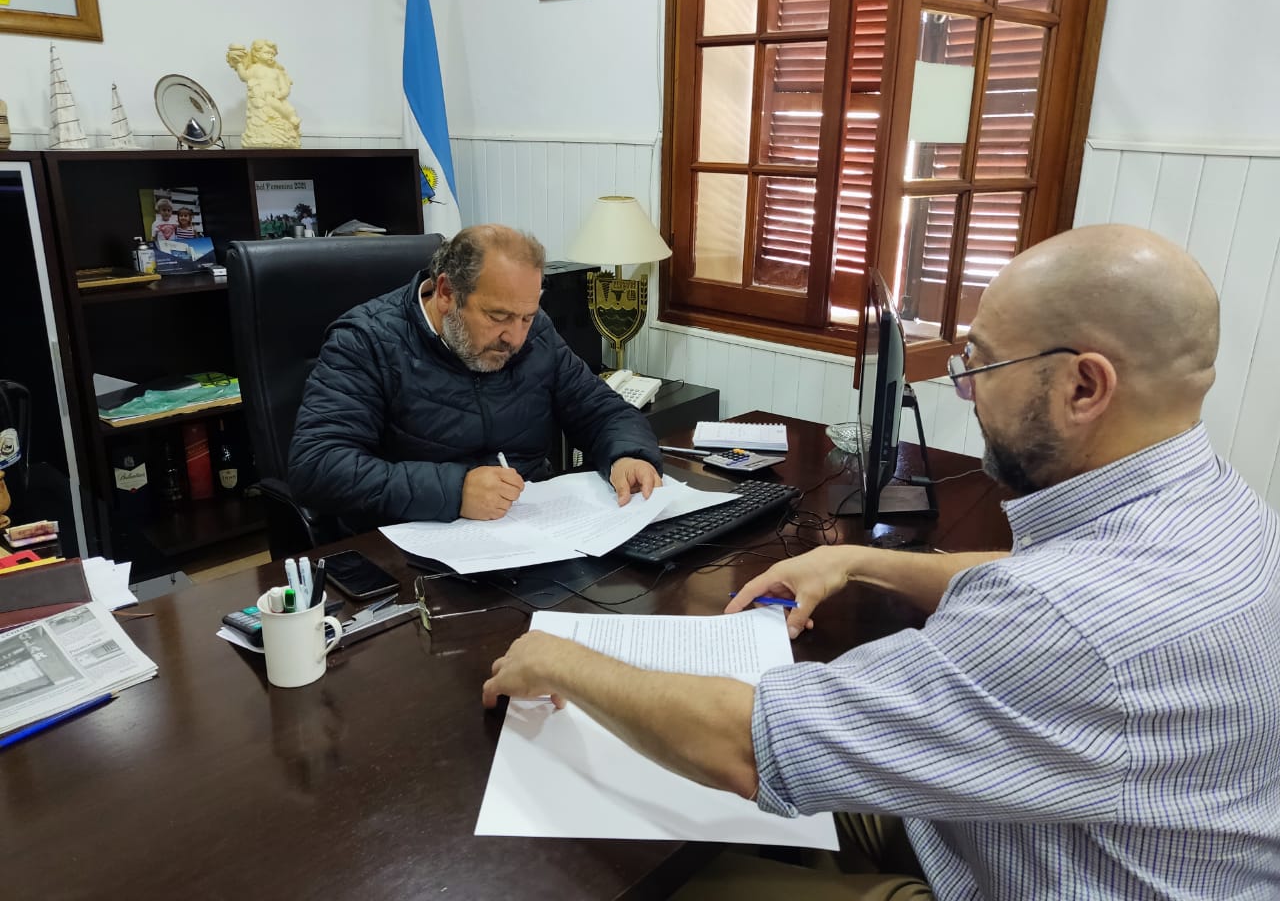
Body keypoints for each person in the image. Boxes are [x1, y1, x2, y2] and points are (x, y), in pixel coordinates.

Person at [481, 224, 1280, 899]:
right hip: (1041, 834)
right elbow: (1027, 586)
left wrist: (563, 658)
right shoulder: (1221, 510)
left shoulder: (1062, 620)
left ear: (1084, 387)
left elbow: (748, 748)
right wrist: (859, 561)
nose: (969, 393)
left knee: (655, 876)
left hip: (1012, 869)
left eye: (981, 367)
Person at [290, 224, 663, 531]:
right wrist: (454, 491)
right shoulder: (366, 341)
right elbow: (318, 466)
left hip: (530, 529)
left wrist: (627, 455)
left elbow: (600, 410)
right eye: (498, 317)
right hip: (413, 545)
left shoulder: (535, 334)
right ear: (446, 293)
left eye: (527, 317)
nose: (515, 337)